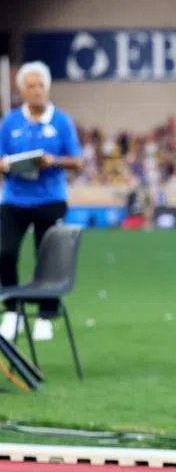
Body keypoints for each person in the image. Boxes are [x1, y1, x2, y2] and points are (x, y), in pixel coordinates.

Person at [0, 61, 82, 343]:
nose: (37, 91)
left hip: (50, 198)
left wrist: (53, 161)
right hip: (15, 199)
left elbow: (77, 161)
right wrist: (7, 165)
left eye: (41, 86)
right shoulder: (10, 122)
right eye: (31, 86)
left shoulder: (62, 121)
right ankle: (13, 310)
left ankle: (46, 314)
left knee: (48, 259)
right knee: (5, 253)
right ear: (22, 90)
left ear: (48, 88)